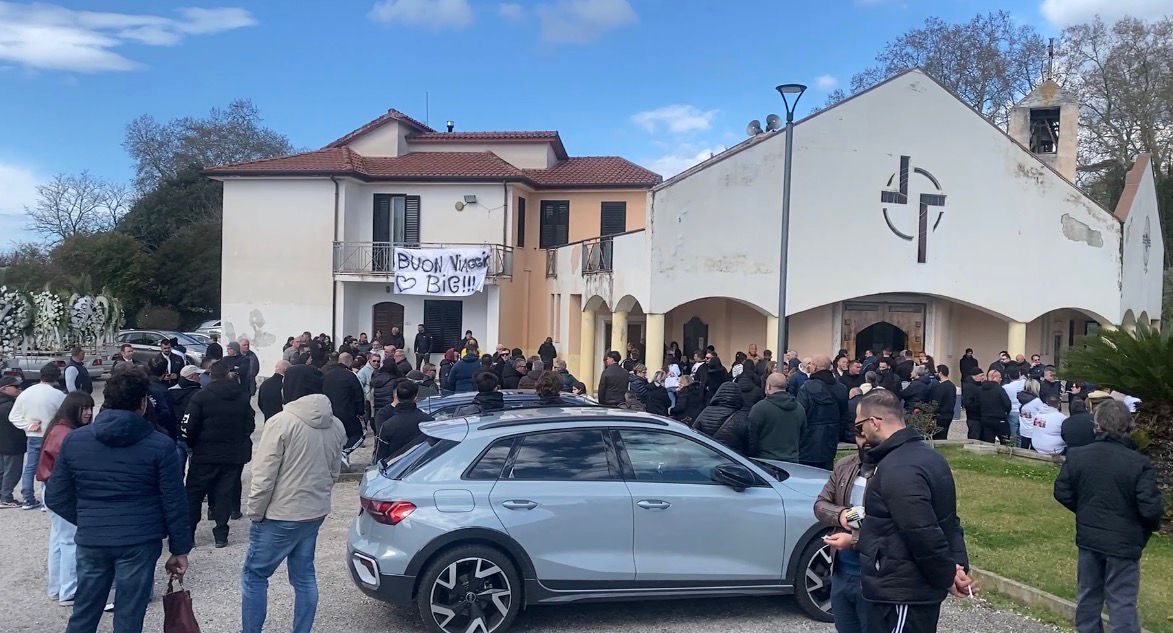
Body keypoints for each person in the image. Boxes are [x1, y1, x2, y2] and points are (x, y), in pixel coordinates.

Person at [45, 366, 191, 633]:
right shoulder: (160, 445)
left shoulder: (75, 441)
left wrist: (90, 518)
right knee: (129, 615)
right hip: (139, 538)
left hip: (94, 538)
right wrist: (179, 548)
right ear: (143, 403)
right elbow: (174, 502)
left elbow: (55, 495)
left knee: (85, 611)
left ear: (106, 399)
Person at [854, 389, 973, 633]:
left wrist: (949, 574)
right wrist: (956, 565)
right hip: (905, 586)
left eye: (859, 427)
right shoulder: (929, 457)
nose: (860, 435)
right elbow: (949, 522)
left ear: (874, 422)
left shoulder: (899, 468)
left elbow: (922, 531)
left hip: (901, 590)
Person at [243, 362, 346, 633]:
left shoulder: (280, 422)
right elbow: (334, 472)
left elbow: (263, 476)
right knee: (304, 577)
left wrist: (255, 511)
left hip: (280, 514)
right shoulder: (335, 424)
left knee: (255, 575)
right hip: (314, 512)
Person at [1054, 400, 1163, 633]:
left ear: (1097, 424)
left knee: (1088, 596)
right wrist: (1142, 528)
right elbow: (1151, 509)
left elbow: (1063, 491)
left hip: (1090, 536)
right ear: (1128, 426)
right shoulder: (1138, 463)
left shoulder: (1079, 456)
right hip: (1124, 540)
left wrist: (1085, 510)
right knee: (1121, 601)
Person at [182, 360, 254, 548]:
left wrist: (193, 444)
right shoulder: (241, 397)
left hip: (204, 454)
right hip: (231, 454)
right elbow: (250, 426)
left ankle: (188, 534)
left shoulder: (201, 397)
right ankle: (221, 533)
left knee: (194, 494)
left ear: (211, 375)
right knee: (224, 493)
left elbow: (187, 426)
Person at [37, 391, 94, 606]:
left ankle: (57, 587)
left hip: (50, 489)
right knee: (70, 541)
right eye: (84, 409)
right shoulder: (66, 434)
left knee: (59, 541)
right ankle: (69, 590)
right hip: (62, 491)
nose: (88, 413)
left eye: (90, 408)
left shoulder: (57, 428)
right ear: (73, 409)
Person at [814, 428, 874, 633]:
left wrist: (854, 538)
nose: (864, 440)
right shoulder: (845, 466)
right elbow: (820, 505)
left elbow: (889, 522)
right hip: (841, 572)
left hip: (873, 575)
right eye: (859, 434)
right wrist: (843, 515)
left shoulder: (891, 471)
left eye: (868, 434)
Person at [11, 362, 66, 510]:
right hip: (52, 434)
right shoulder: (58, 395)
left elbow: (13, 416)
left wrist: (27, 426)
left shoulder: (26, 393)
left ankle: (27, 498)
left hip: (33, 433)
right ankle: (47, 499)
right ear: (56, 377)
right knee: (50, 466)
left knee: (30, 467)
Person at [797, 355, 849, 470]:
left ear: (815, 367)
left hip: (808, 440)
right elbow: (845, 416)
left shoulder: (807, 387)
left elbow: (800, 415)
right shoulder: (841, 388)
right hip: (831, 439)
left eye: (811, 363)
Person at [747, 372, 806, 462]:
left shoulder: (759, 408)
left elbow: (751, 436)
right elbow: (803, 434)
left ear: (768, 387)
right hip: (792, 461)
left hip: (765, 460)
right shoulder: (799, 408)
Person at [372, 380, 435, 463]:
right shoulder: (428, 421)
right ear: (415, 397)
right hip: (421, 466)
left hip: (395, 468)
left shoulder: (387, 425)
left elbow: (380, 455)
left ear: (396, 396)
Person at [324, 352, 365, 468]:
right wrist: (361, 412)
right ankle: (344, 452)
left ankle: (336, 458)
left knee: (335, 438)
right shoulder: (350, 376)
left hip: (330, 412)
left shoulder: (327, 375)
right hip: (348, 412)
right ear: (350, 362)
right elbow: (359, 394)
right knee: (359, 435)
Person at [692, 382, 753, 455]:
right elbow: (751, 447)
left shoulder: (706, 412)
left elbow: (694, 434)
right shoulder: (742, 418)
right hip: (732, 460)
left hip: (707, 458)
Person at [0, 377, 25, 508]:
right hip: (12, 444)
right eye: (15, 387)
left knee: (3, 471)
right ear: (4, 388)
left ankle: (3, 496)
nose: (19, 389)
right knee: (12, 472)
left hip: (4, 444)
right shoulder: (9, 406)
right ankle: (6, 497)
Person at [978, 369, 1012, 443]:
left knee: (988, 442)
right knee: (1005, 441)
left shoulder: (980, 389)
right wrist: (1006, 413)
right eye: (1000, 377)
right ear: (995, 378)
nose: (1001, 379)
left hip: (985, 419)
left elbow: (977, 403)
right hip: (999, 418)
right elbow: (1007, 404)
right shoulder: (999, 389)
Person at [929, 365, 957, 440]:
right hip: (949, 414)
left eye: (936, 372)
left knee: (938, 437)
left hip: (940, 416)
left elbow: (936, 402)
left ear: (940, 373)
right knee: (944, 435)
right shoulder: (952, 386)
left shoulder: (941, 387)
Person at [1002, 368, 1027, 443]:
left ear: (1009, 376)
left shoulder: (1006, 387)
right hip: (1024, 410)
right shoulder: (1025, 383)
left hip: (1012, 410)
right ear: (1019, 374)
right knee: (1023, 432)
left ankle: (1014, 446)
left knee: (1013, 433)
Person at [960, 367, 984, 440]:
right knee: (974, 437)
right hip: (974, 417)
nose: (983, 378)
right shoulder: (969, 387)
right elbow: (967, 403)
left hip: (978, 417)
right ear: (974, 376)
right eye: (981, 376)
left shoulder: (978, 385)